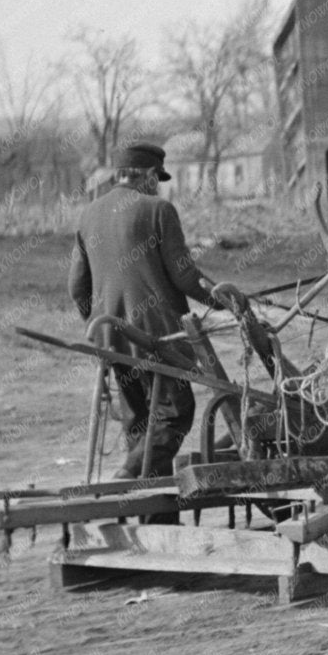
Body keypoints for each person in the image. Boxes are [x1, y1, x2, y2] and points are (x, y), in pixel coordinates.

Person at [67, 142, 245, 478]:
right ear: (148, 175)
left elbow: (77, 289)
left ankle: (151, 512)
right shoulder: (158, 210)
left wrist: (98, 325)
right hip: (157, 338)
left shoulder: (88, 215)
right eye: (157, 178)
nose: (159, 185)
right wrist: (230, 303)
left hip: (112, 341)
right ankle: (127, 476)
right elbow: (187, 278)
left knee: (140, 426)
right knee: (175, 414)